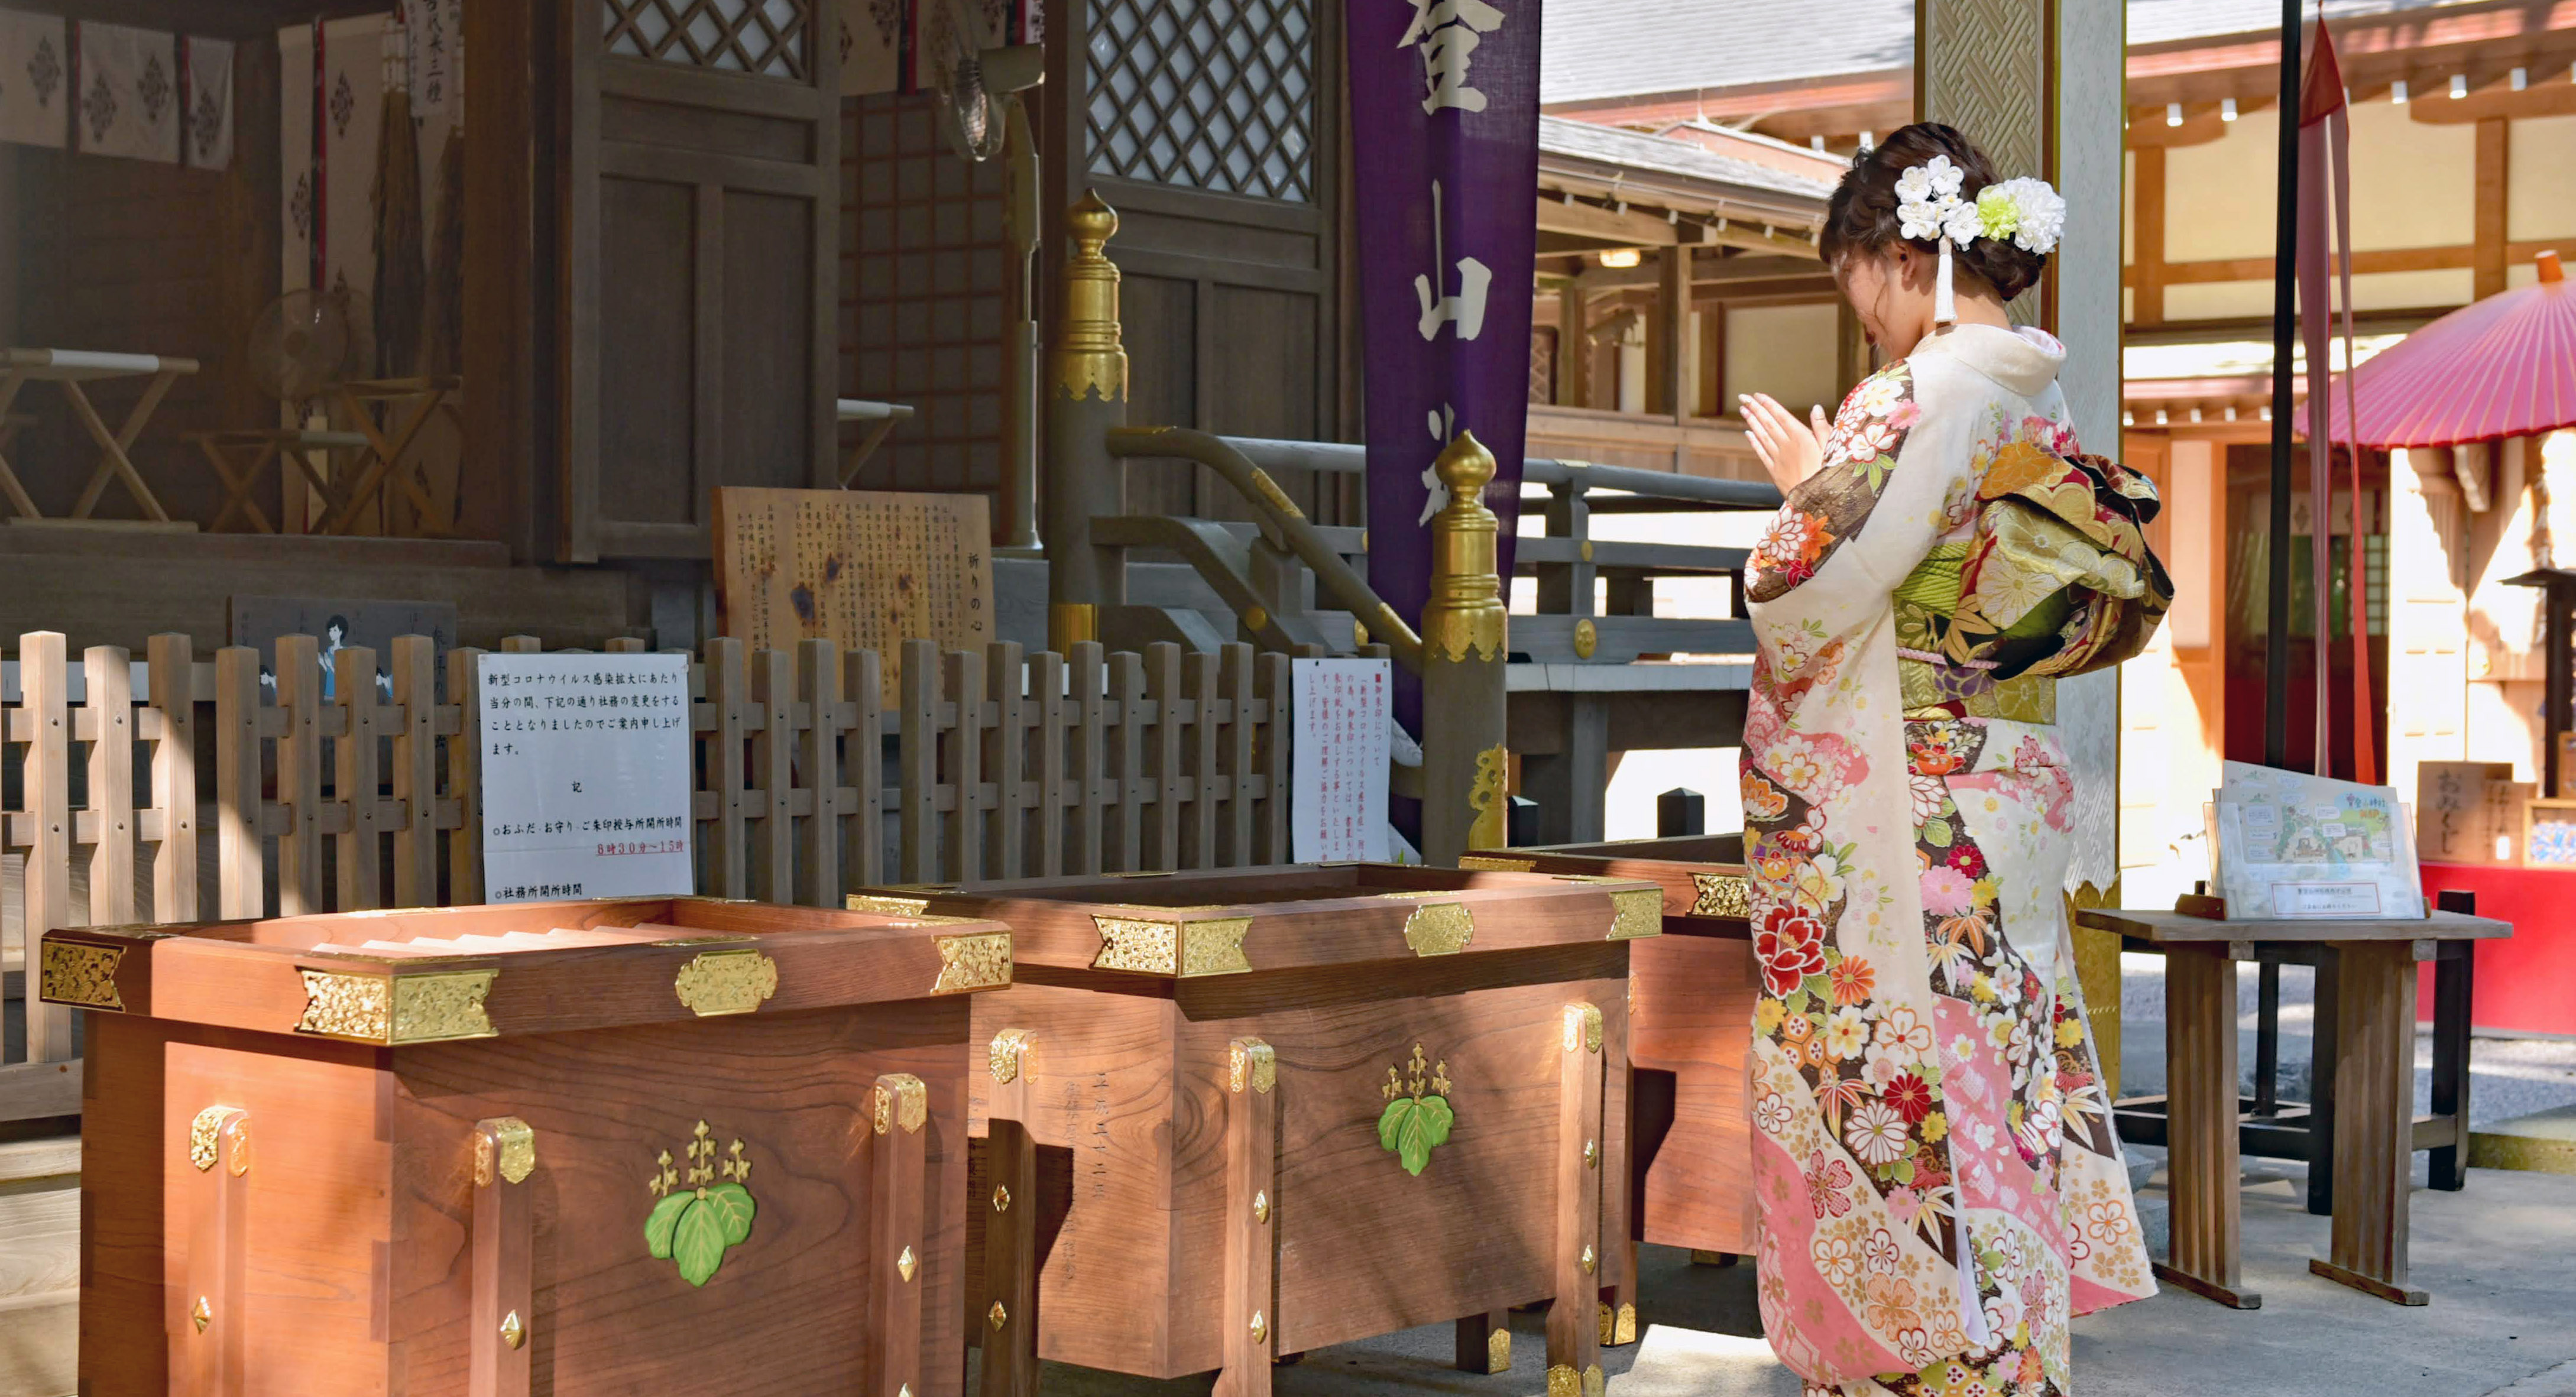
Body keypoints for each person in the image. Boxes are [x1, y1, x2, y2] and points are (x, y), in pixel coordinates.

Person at [1732, 123, 2173, 1397]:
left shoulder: (1924, 390)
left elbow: (1806, 593)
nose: (1861, 316)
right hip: (2008, 782)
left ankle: (1931, 1364)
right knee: (1998, 1074)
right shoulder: (2039, 385)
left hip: (1911, 796)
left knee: (1909, 1074)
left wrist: (1808, 489)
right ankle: (2016, 1355)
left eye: (1855, 282)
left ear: (1894, 255)